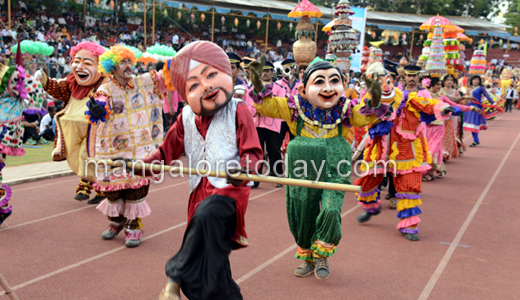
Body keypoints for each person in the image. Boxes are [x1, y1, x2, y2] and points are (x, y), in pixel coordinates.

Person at [249, 57, 391, 279]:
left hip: (335, 166)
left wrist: (374, 96)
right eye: (319, 82)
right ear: (305, 89)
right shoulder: (294, 106)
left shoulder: (345, 108)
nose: (327, 88)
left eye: (334, 81)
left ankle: (322, 252)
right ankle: (306, 255)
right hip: (301, 167)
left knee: (331, 209)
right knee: (302, 212)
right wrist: (257, 81)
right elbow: (266, 105)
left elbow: (367, 116)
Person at [156, 41, 262, 300]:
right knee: (211, 260)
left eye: (211, 75)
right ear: (184, 93)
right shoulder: (185, 117)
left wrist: (244, 169)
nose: (206, 86)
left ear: (227, 72)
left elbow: (254, 153)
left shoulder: (239, 109)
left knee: (208, 215)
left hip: (230, 194)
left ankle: (174, 277)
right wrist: (138, 167)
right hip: (197, 194)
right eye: (193, 85)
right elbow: (164, 153)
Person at [355, 65, 456, 242]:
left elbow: (428, 104)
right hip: (378, 150)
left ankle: (409, 225)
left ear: (392, 82)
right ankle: (370, 207)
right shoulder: (369, 101)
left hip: (405, 150)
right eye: (377, 83)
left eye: (386, 82)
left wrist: (443, 108)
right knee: (368, 181)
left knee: (409, 186)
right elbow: (360, 114)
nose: (383, 86)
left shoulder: (408, 98)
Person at [86, 44, 167, 248]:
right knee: (112, 190)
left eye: (129, 61)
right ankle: (117, 221)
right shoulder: (105, 88)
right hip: (113, 149)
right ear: (112, 67)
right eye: (122, 62)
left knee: (135, 189)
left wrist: (172, 64)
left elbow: (164, 78)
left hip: (140, 147)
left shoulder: (142, 81)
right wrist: (97, 109)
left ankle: (134, 226)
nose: (128, 65)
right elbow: (101, 103)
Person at [36, 41, 107, 204]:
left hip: (95, 130)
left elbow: (110, 102)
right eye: (77, 61)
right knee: (79, 156)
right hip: (72, 129)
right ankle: (87, 185)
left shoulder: (104, 84)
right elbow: (58, 88)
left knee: (89, 156)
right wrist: (44, 79)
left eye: (87, 63)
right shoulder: (72, 83)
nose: (80, 67)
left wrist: (101, 109)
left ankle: (95, 187)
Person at [246, 60, 284, 188]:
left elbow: (280, 104)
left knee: (274, 150)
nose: (265, 73)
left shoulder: (279, 88)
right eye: (263, 71)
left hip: (272, 124)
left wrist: (266, 110)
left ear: (273, 73)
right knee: (258, 151)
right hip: (257, 123)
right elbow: (249, 103)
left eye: (268, 71)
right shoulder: (253, 87)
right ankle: (255, 179)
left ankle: (278, 177)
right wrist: (256, 110)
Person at [463, 75, 495, 147]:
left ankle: (475, 140)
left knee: (474, 124)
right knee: (471, 124)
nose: (476, 81)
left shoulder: (481, 88)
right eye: (474, 80)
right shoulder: (469, 88)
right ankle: (476, 140)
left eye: (477, 80)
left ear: (479, 81)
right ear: (471, 80)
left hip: (477, 108)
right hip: (469, 107)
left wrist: (493, 103)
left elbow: (487, 96)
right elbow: (466, 98)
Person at [274, 58, 301, 143]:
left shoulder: (300, 84)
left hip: (294, 117)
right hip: (281, 118)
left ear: (294, 69)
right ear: (283, 70)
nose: (289, 70)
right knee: (278, 141)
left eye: (291, 68)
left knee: (295, 141)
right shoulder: (278, 83)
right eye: (286, 68)